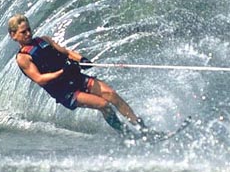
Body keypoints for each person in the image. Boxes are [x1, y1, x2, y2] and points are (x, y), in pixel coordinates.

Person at [8, 13, 145, 134]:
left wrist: (82, 59)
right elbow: (40, 79)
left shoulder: (44, 40)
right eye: (23, 32)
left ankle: (143, 129)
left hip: (75, 77)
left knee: (112, 95)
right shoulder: (23, 58)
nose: (28, 34)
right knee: (104, 105)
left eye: (29, 30)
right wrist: (63, 71)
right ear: (13, 35)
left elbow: (66, 53)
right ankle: (125, 133)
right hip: (64, 91)